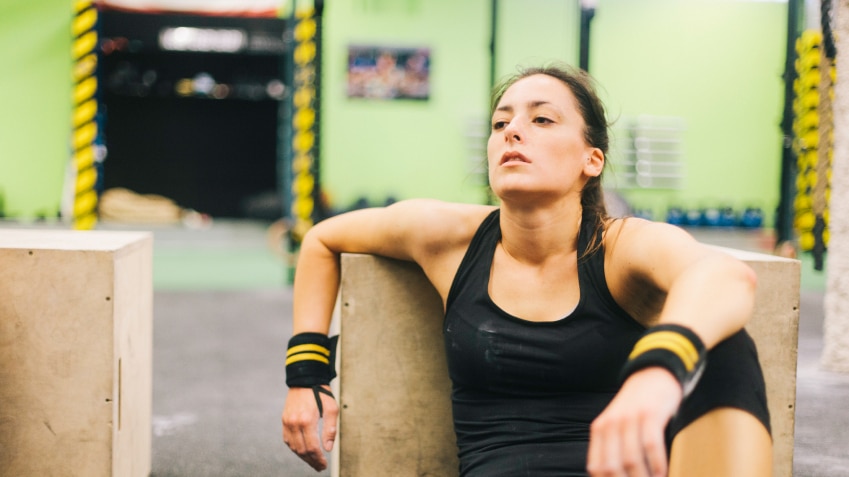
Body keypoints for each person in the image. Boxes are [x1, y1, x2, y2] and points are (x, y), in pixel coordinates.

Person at [282, 64, 772, 476]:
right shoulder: (448, 238)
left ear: (591, 159)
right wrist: (306, 376)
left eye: (542, 119)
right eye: (500, 124)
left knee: (725, 347)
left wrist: (657, 371)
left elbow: (723, 276)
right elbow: (323, 240)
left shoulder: (620, 246)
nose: (512, 131)